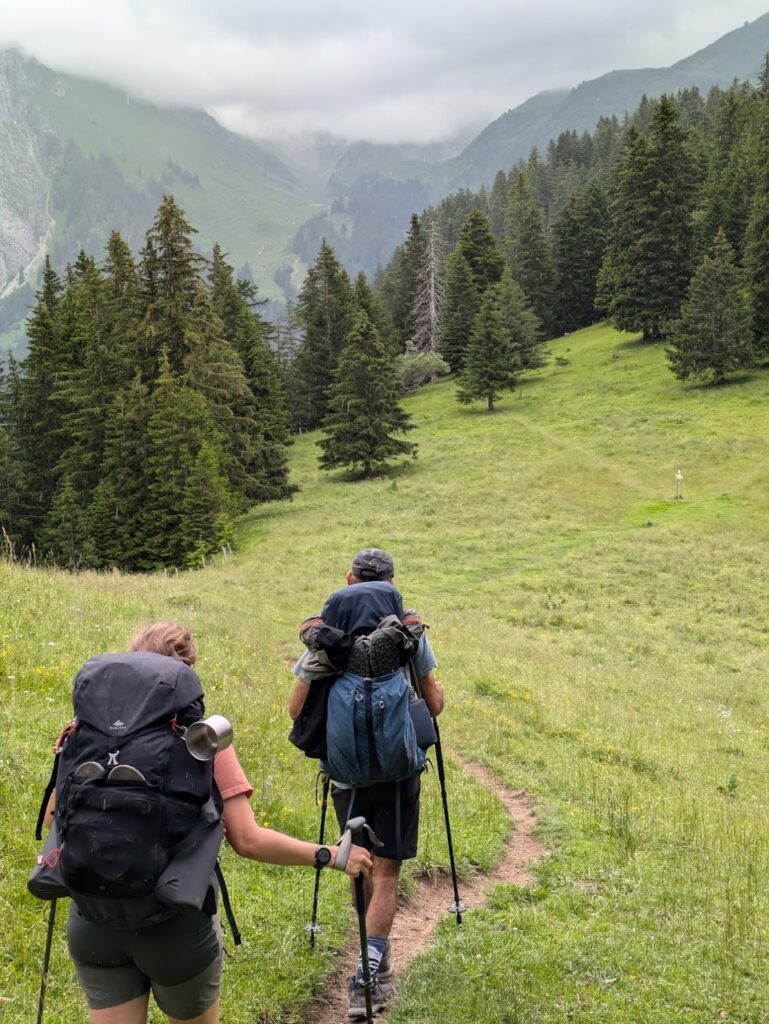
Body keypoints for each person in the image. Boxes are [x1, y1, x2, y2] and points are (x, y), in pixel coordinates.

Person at [47, 621, 372, 1024]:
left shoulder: (83, 733)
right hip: (174, 924)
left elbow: (54, 821)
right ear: (186, 673)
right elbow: (248, 840)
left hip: (91, 919)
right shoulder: (200, 740)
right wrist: (331, 855)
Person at [288, 549, 444, 1019]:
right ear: (393, 583)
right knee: (389, 870)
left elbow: (297, 712)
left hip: (346, 776)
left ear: (349, 579)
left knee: (359, 862)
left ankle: (368, 954)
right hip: (399, 774)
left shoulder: (327, 643)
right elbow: (434, 704)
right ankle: (371, 965)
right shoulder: (407, 636)